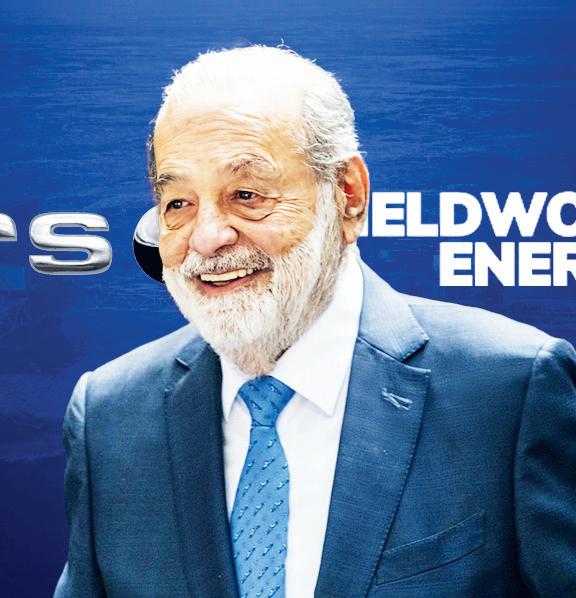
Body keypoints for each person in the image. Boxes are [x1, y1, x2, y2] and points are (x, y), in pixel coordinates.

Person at [54, 46, 576, 598]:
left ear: (348, 196)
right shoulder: (109, 416)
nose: (207, 238)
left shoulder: (508, 392)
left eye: (247, 194)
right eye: (178, 203)